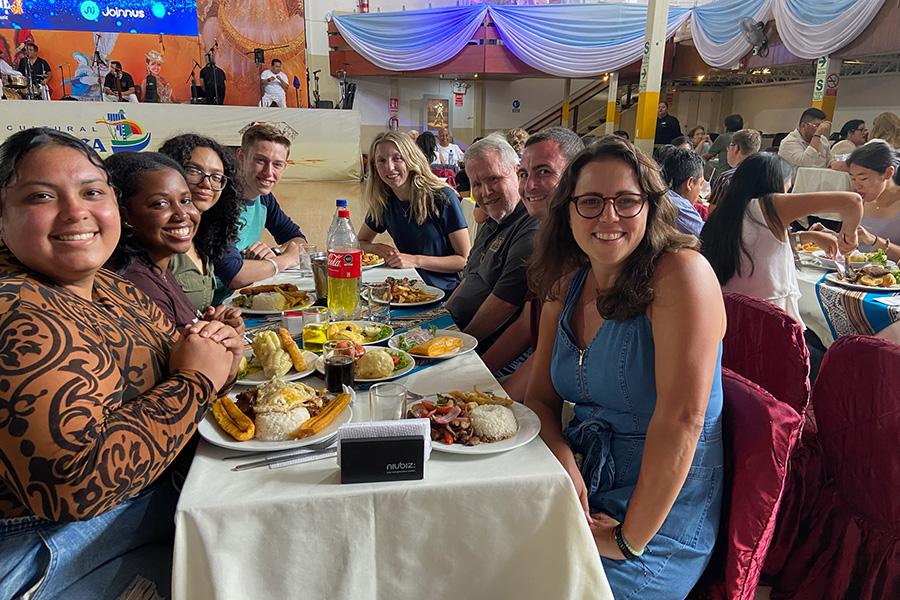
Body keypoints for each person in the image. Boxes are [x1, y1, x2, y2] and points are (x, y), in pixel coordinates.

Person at [0, 128, 240, 600]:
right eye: (41, 196)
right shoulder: (16, 309)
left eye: (92, 191)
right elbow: (75, 484)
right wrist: (195, 381)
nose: (76, 212)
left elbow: (190, 354)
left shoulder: (109, 287)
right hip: (51, 545)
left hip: (149, 505)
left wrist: (220, 350)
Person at [526, 136, 725, 597]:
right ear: (568, 211)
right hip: (581, 481)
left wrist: (627, 539)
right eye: (591, 201)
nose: (608, 217)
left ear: (650, 208)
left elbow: (683, 420)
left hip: (661, 514)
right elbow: (539, 398)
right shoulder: (568, 285)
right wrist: (564, 464)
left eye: (627, 201)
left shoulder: (682, 275)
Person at [481, 126, 584, 402]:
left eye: (544, 172)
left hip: (559, 393)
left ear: (576, 177)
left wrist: (496, 401)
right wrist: (478, 375)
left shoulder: (583, 250)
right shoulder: (546, 241)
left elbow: (552, 350)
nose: (529, 186)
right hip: (536, 378)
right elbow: (526, 323)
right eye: (524, 174)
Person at [701, 153, 862, 326]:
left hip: (726, 318)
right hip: (766, 322)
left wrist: (807, 236)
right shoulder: (771, 205)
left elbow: (758, 243)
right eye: (788, 187)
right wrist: (849, 235)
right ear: (777, 183)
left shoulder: (725, 211)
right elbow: (853, 201)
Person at [446, 135, 538, 348]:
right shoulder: (494, 219)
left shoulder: (530, 227)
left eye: (493, 179)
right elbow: (468, 279)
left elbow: (505, 305)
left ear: (518, 172)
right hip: (458, 332)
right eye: (477, 184)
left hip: (485, 347)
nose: (485, 192)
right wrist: (439, 319)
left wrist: (454, 346)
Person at [358, 131, 470, 294]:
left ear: (411, 159)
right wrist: (377, 248)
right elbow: (359, 242)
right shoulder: (384, 201)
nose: (389, 167)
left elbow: (464, 260)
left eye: (397, 158)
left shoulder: (442, 197)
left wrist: (416, 260)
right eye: (381, 160)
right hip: (407, 284)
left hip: (445, 290)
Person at [214, 124, 306, 298]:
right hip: (211, 306)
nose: (268, 172)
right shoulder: (219, 200)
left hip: (240, 298)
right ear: (241, 157)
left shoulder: (264, 198)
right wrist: (284, 260)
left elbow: (297, 239)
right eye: (260, 161)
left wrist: (275, 253)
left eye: (277, 164)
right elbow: (235, 275)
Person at [158, 134, 243, 311]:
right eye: (194, 171)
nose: (206, 183)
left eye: (216, 177)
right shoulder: (159, 239)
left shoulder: (205, 236)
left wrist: (215, 321)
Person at [846, 140, 900, 249]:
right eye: (853, 179)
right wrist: (830, 235)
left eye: (863, 178)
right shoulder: (859, 200)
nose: (857, 185)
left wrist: (873, 240)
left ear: (888, 173)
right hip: (855, 264)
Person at [709, 128, 761, 209]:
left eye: (728, 147)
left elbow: (712, 214)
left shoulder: (725, 178)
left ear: (736, 148)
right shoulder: (764, 177)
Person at [660, 148, 706, 236]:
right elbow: (708, 236)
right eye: (701, 184)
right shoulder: (679, 206)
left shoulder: (663, 195)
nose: (700, 190)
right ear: (690, 183)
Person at [704, 114, 744, 178]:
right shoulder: (744, 138)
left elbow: (708, 155)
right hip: (739, 175)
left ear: (727, 126)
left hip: (724, 175)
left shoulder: (724, 137)